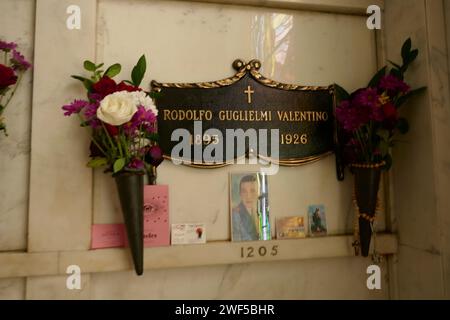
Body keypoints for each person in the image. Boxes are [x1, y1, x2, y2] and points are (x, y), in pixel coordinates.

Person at [232, 175, 259, 241]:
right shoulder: (235, 215)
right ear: (240, 194)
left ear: (258, 193)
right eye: (244, 191)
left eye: (252, 191)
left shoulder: (261, 211)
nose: (248, 196)